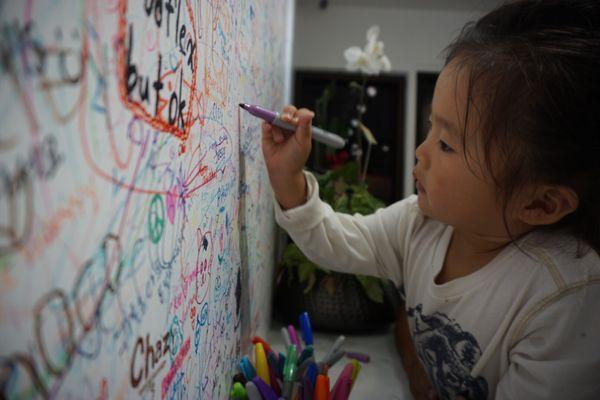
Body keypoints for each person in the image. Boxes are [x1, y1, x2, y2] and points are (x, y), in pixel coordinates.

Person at [262, 0, 600, 399]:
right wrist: (288, 177)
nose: (421, 152)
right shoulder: (419, 224)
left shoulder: (567, 297)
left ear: (540, 204)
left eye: (446, 143)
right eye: (430, 126)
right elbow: (336, 240)